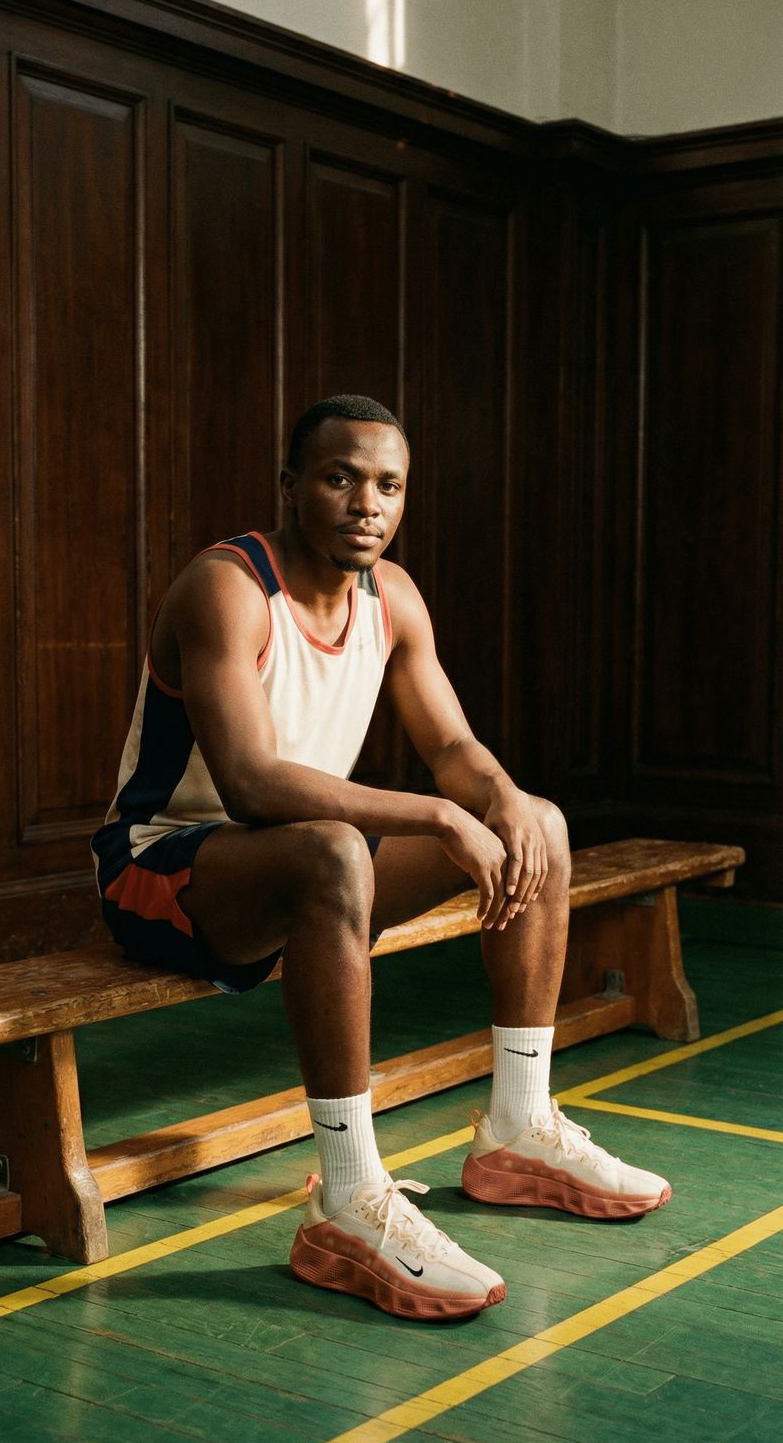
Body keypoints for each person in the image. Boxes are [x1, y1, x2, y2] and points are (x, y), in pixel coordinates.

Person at [92, 394, 670, 1322]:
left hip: (307, 867)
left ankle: (519, 1126)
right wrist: (441, 817)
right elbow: (248, 785)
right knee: (331, 853)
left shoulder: (391, 596)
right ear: (290, 486)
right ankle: (349, 1197)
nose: (366, 503)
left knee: (543, 828)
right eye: (339, 478)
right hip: (163, 870)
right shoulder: (227, 587)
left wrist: (501, 801)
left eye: (388, 486)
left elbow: (454, 750)